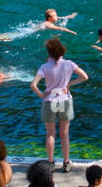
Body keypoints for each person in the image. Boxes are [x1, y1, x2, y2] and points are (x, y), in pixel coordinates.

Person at [31, 38, 88, 171]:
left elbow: (33, 85)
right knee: (64, 133)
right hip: (65, 100)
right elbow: (85, 76)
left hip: (50, 101)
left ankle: (50, 163)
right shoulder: (69, 64)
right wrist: (69, 84)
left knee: (50, 134)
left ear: (49, 52)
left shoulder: (44, 67)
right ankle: (66, 163)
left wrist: (42, 95)